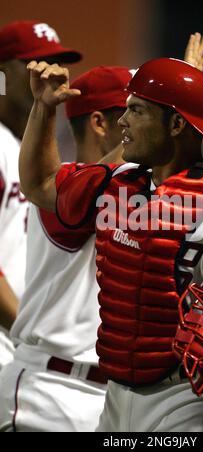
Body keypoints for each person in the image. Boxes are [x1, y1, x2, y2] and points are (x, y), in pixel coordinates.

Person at [19, 57, 203, 433]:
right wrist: (44, 108)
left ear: (177, 124)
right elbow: (39, 185)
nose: (123, 122)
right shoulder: (115, 182)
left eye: (137, 111)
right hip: (113, 395)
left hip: (186, 397)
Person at [0, 66, 133, 432]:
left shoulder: (132, 192)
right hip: (48, 394)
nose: (141, 121)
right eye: (134, 111)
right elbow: (91, 184)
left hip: (111, 401)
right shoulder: (62, 187)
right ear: (100, 124)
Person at [0, 20, 81, 375]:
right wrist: (32, 334)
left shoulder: (35, 155)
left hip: (15, 348)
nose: (52, 73)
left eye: (58, 62)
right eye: (35, 62)